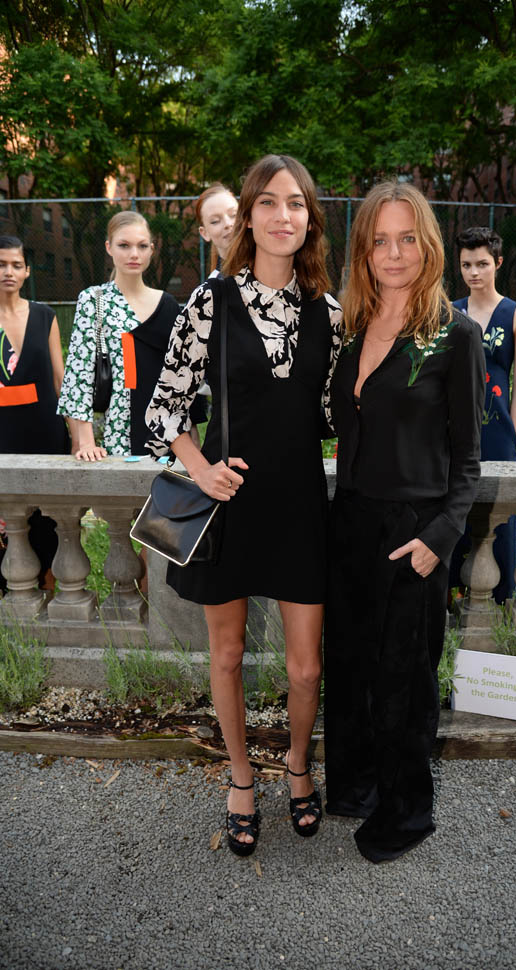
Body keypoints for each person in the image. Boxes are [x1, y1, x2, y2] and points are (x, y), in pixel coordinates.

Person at [146, 154, 342, 856]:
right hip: (227, 505)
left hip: (300, 506)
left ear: (310, 219)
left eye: (297, 204)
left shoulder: (331, 313)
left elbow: (337, 415)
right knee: (227, 655)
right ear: (249, 217)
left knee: (306, 668)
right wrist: (200, 470)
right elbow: (164, 406)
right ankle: (239, 776)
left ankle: (296, 765)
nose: (283, 215)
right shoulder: (210, 300)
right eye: (268, 202)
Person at [323, 181, 485, 863]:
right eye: (380, 240)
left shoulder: (456, 334)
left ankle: (407, 812)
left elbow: (469, 459)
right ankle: (355, 786)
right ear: (364, 250)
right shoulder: (349, 329)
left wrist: (438, 539)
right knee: (349, 666)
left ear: (429, 245)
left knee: (404, 680)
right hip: (351, 522)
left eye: (407, 238)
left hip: (415, 529)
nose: (393, 253)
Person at [58, 210, 204, 460]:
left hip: (169, 429)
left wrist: (193, 438)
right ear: (109, 247)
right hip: (120, 427)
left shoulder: (168, 305)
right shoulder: (95, 300)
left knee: (169, 485)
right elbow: (79, 372)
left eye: (142, 246)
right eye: (124, 245)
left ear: (151, 250)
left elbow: (185, 374)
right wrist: (86, 441)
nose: (134, 254)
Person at [450, 227, 516, 603]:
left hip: (498, 431)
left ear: (498, 263)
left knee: (499, 514)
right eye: (466, 264)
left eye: (482, 264)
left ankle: (500, 598)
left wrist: (512, 434)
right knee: (453, 506)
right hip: (454, 427)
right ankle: (449, 593)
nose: (474, 272)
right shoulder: (449, 311)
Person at [0, 234, 69, 591]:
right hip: (3, 435)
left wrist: (79, 436)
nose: (8, 272)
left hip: (46, 434)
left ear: (27, 271)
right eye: (1, 264)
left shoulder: (44, 316)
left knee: (48, 522)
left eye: (16, 265)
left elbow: (60, 379)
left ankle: (49, 591)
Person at [196, 183, 239, 278]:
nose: (228, 223)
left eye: (234, 215)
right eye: (215, 221)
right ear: (204, 233)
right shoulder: (213, 286)